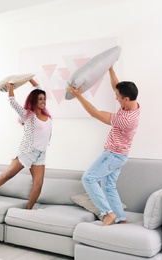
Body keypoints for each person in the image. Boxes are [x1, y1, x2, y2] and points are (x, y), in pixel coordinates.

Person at [67, 66, 140, 225]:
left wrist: (78, 96)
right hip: (120, 155)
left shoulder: (126, 119)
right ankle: (120, 218)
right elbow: (116, 86)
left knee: (88, 178)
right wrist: (110, 68)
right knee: (108, 187)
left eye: (118, 97)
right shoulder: (133, 105)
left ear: (126, 99)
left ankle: (108, 213)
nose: (116, 98)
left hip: (113, 154)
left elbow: (95, 114)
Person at [0, 79, 52, 209]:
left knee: (38, 184)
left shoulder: (46, 115)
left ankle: (28, 209)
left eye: (44, 99)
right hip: (28, 151)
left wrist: (29, 78)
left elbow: (38, 87)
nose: (43, 101)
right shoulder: (28, 115)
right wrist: (11, 86)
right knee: (8, 175)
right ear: (34, 100)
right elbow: (12, 102)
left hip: (41, 154)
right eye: (40, 99)